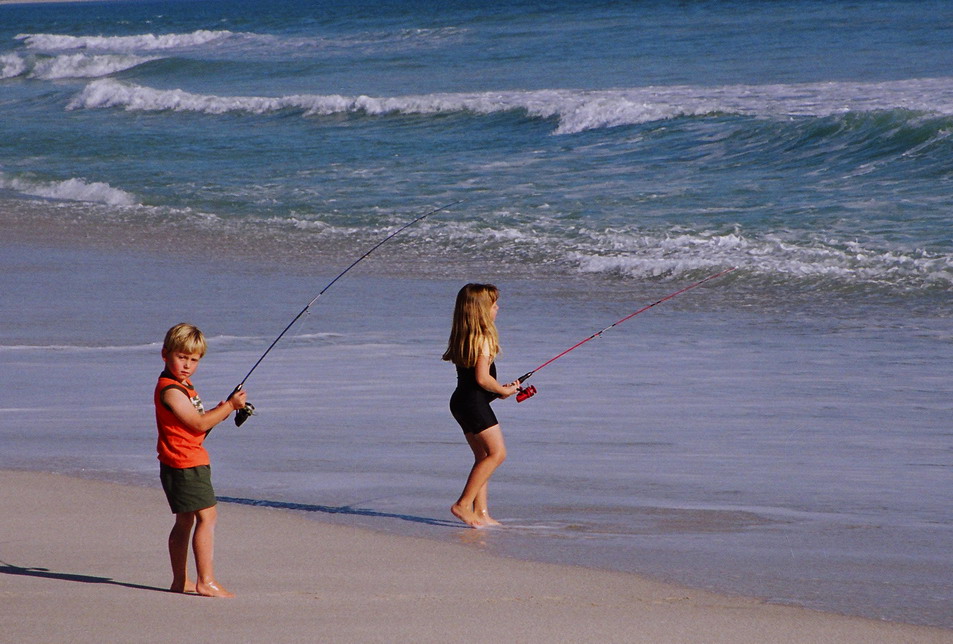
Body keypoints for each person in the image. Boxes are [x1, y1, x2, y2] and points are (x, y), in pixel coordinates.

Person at [155, 323, 247, 597]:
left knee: (185, 520)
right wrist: (229, 406)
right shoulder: (171, 390)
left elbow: (198, 425)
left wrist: (221, 412)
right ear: (165, 354)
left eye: (193, 360)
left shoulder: (184, 386)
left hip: (183, 459)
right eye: (181, 357)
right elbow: (196, 424)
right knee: (207, 517)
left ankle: (179, 581)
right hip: (184, 462)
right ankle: (205, 581)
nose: (187, 365)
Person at [443, 284, 521, 528]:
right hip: (473, 404)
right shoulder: (484, 337)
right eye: (494, 304)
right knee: (498, 454)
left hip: (462, 402)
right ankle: (463, 505)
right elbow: (482, 379)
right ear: (482, 310)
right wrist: (503, 389)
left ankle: (481, 513)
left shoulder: (464, 336)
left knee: (482, 457)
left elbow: (473, 383)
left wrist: (498, 392)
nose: (498, 308)